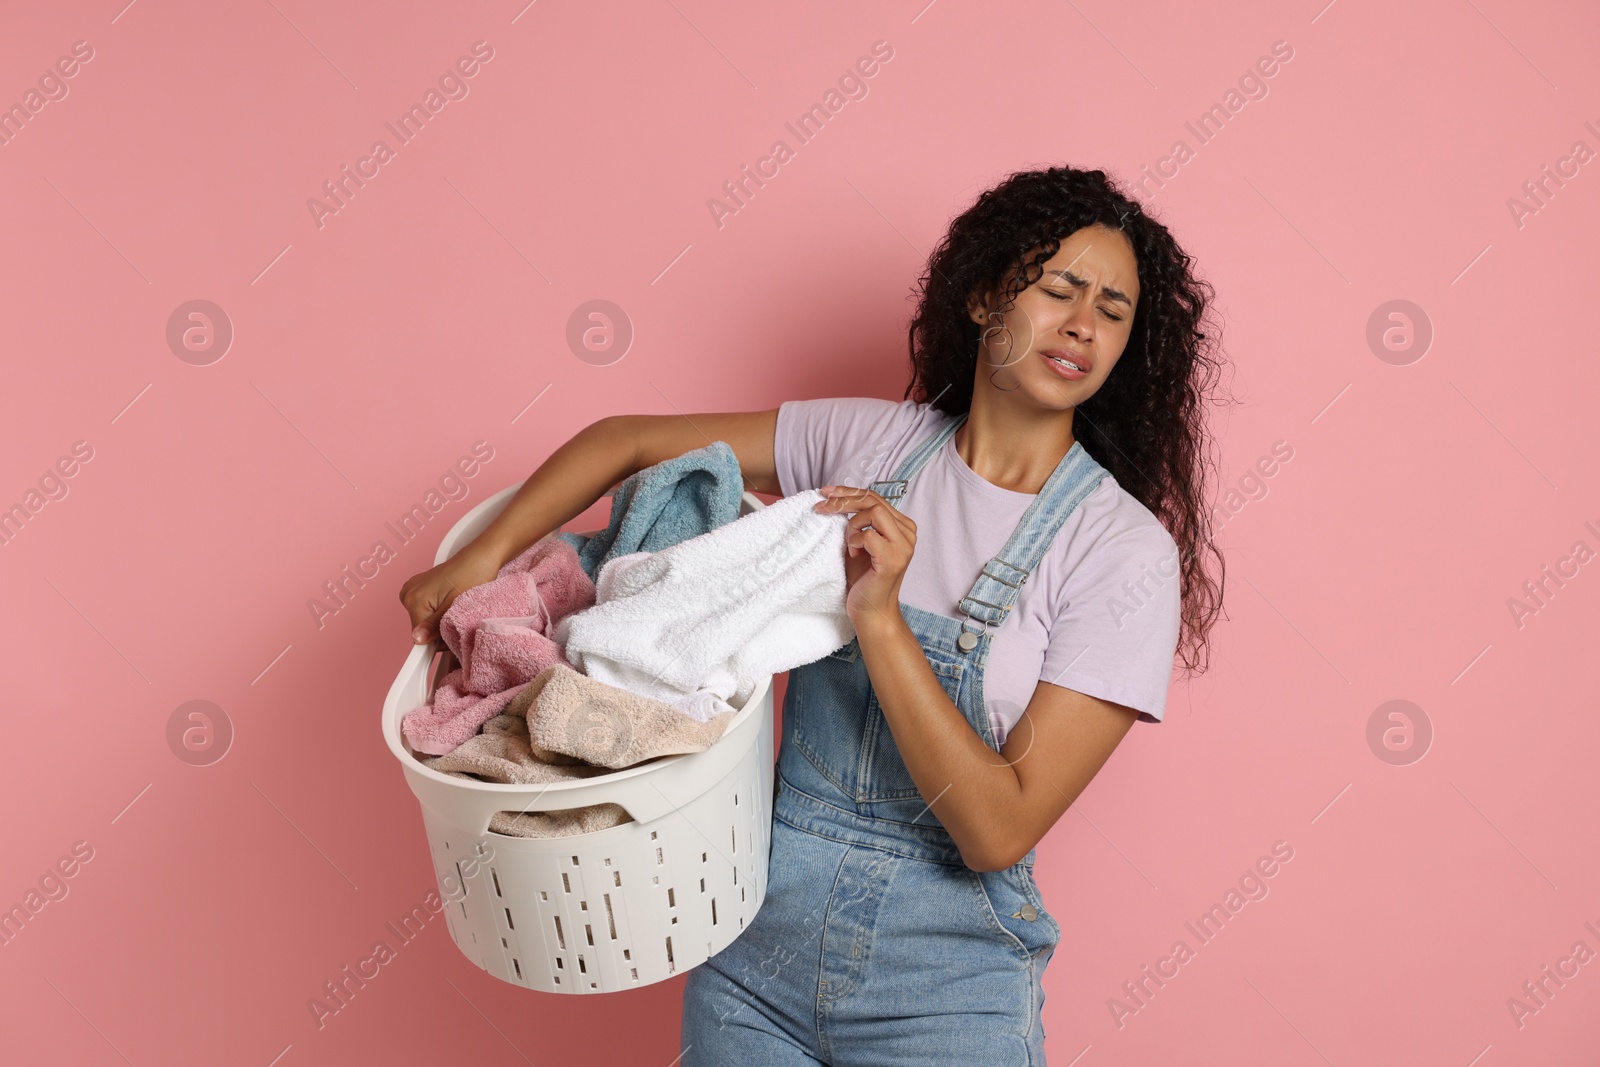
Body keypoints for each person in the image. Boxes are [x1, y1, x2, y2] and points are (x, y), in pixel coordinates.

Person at [399, 164, 1226, 1064]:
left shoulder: (1121, 550)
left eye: (1113, 309)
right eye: (1060, 287)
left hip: (947, 996)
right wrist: (476, 560)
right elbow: (629, 441)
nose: (1083, 324)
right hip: (752, 957)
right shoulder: (868, 442)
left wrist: (880, 617)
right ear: (988, 296)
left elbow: (998, 828)